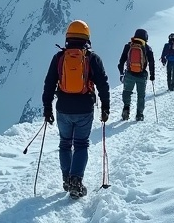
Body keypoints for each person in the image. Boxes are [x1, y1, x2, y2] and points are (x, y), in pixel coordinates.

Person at [42, 20, 110, 199]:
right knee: (81, 144)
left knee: (65, 143)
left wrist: (47, 108)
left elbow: (49, 84)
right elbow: (103, 84)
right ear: (86, 37)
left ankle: (67, 178)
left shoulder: (59, 58)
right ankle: (76, 181)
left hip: (63, 108)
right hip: (84, 108)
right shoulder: (92, 58)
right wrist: (105, 107)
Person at [118, 28, 155, 121]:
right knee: (141, 95)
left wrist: (121, 73)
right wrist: (152, 75)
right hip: (142, 76)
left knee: (127, 92)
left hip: (129, 74)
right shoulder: (147, 48)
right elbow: (151, 62)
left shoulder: (129, 46)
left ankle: (126, 109)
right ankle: (139, 114)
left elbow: (121, 61)